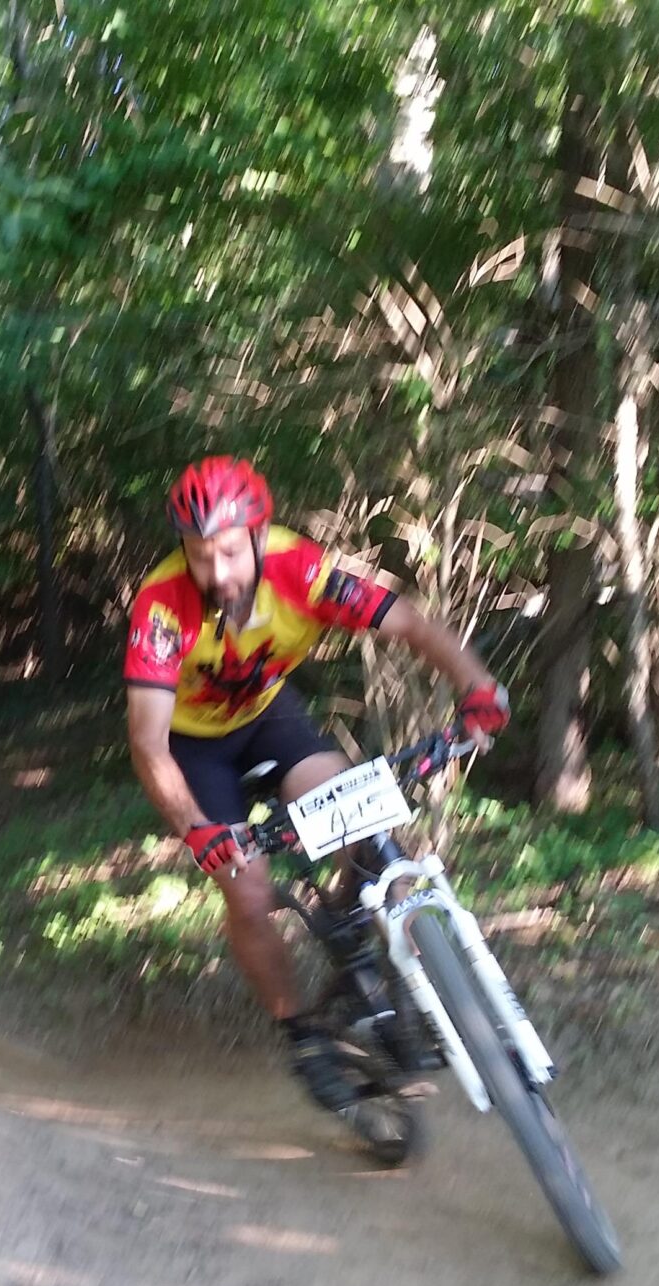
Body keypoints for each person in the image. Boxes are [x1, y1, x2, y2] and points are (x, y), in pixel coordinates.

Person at [123, 455, 510, 1115]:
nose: (215, 574)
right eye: (197, 556)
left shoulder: (301, 570)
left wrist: (476, 688)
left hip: (268, 718)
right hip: (193, 747)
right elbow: (147, 741)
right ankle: (301, 1033)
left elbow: (410, 624)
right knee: (247, 891)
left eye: (227, 554)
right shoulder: (163, 608)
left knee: (358, 820)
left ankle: (359, 925)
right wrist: (198, 828)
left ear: (256, 534)